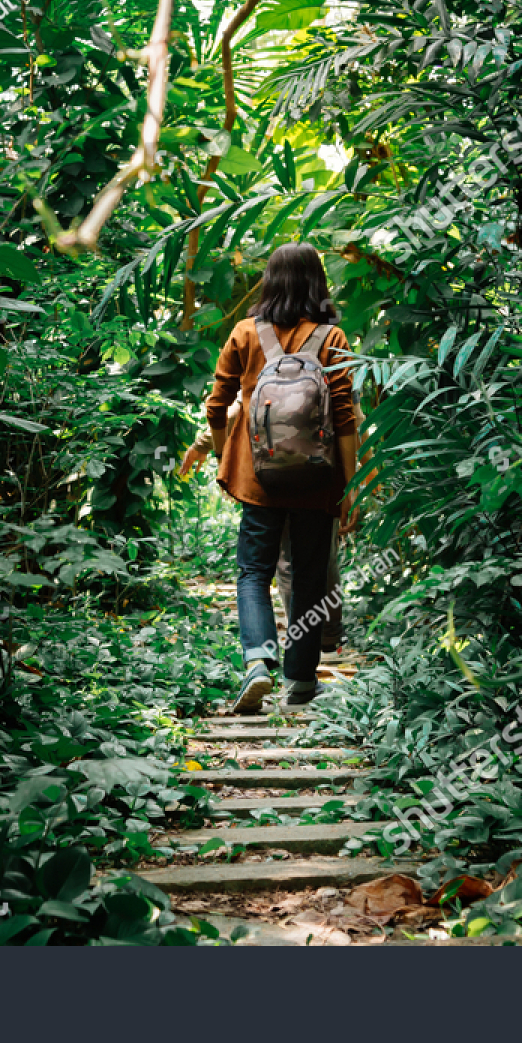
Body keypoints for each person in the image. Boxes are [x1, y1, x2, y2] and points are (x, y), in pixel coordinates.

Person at [200, 242, 359, 713]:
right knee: (309, 578)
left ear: (268, 280)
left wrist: (223, 458)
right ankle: (301, 682)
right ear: (318, 281)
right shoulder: (333, 338)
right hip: (318, 478)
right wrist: (350, 488)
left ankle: (256, 663)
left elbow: (216, 405)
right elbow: (346, 420)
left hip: (259, 478)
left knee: (253, 571)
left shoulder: (246, 332)